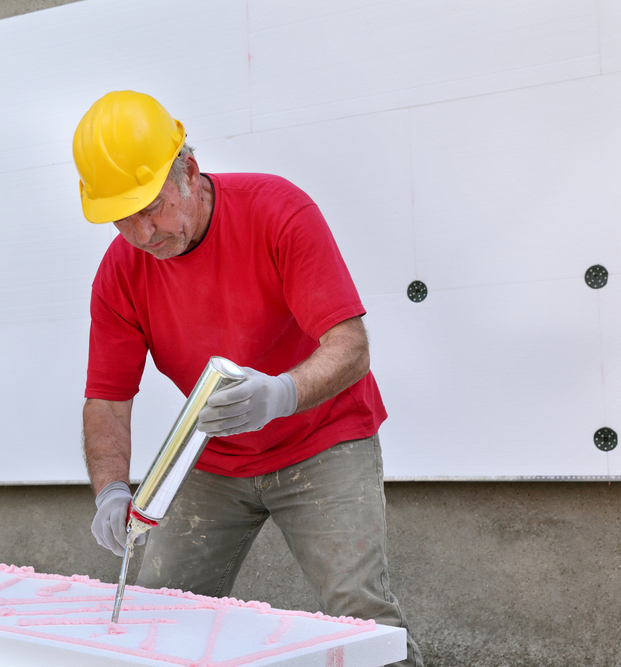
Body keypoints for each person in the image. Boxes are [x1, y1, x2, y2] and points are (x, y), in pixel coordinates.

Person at [74, 90, 422, 667]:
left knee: (360, 618)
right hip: (214, 456)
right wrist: (111, 489)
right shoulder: (120, 273)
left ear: (188, 170)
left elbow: (350, 347)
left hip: (323, 438)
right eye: (120, 218)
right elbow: (107, 401)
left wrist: (281, 392)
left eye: (151, 207)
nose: (141, 234)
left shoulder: (276, 211)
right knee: (157, 617)